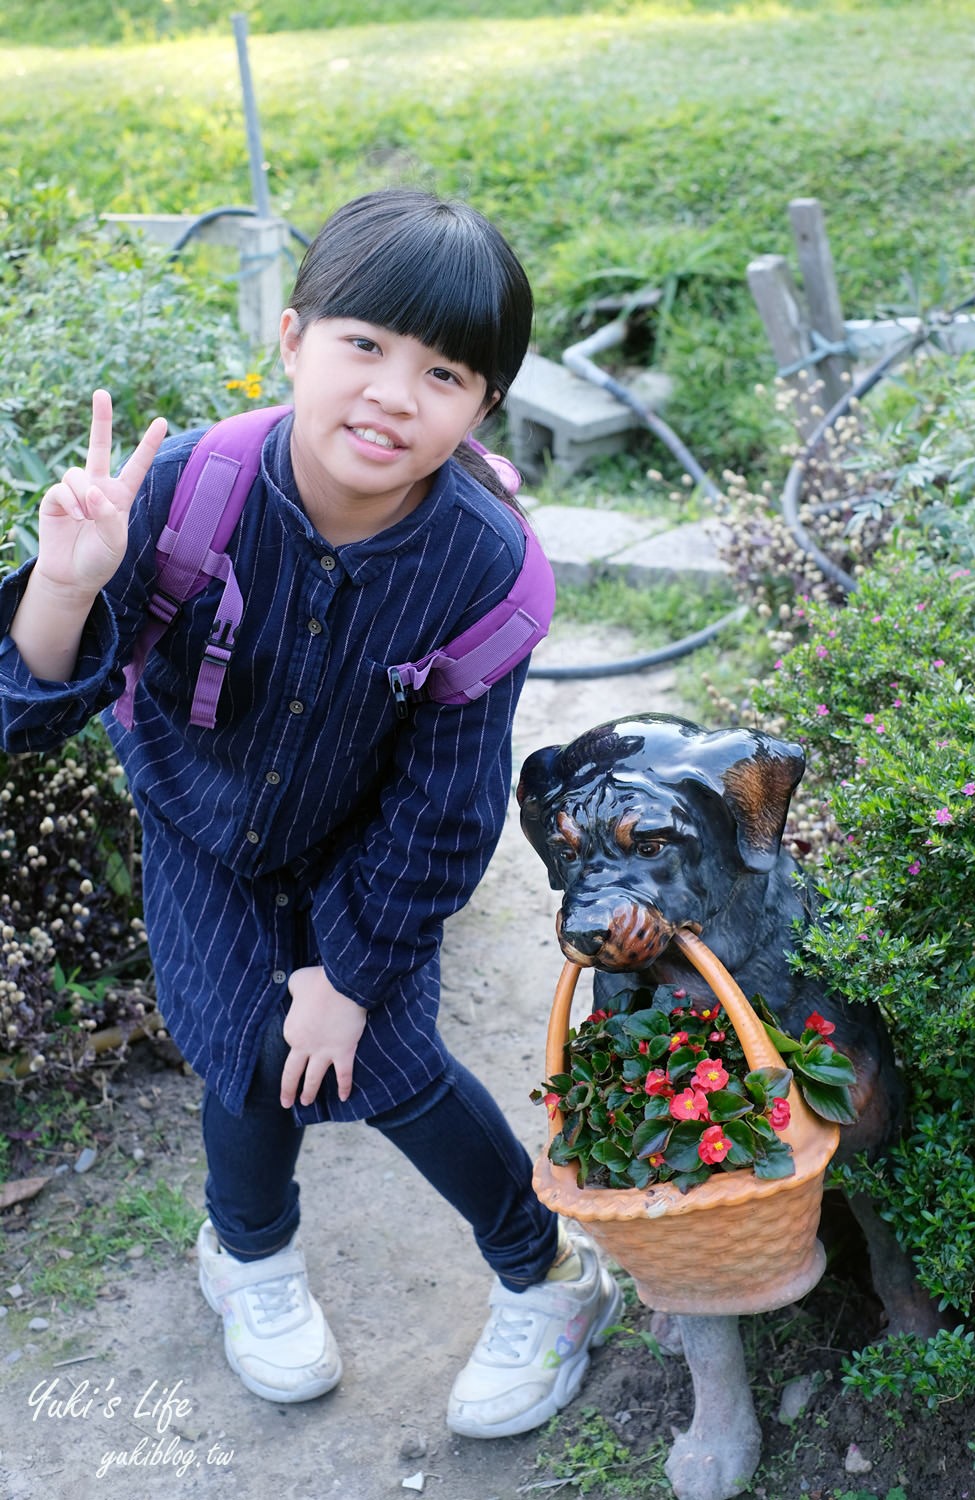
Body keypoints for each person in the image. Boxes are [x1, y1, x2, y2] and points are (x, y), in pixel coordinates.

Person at [0, 189, 621, 1438]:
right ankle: (249, 1254)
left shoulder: (482, 565)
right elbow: (25, 714)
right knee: (236, 1046)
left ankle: (549, 1274)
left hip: (365, 840)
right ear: (293, 339)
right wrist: (64, 590)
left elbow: (446, 806)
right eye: (364, 345)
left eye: (442, 371)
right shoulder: (183, 494)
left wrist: (350, 970)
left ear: (482, 406)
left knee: (386, 1060)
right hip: (200, 826)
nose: (394, 392)